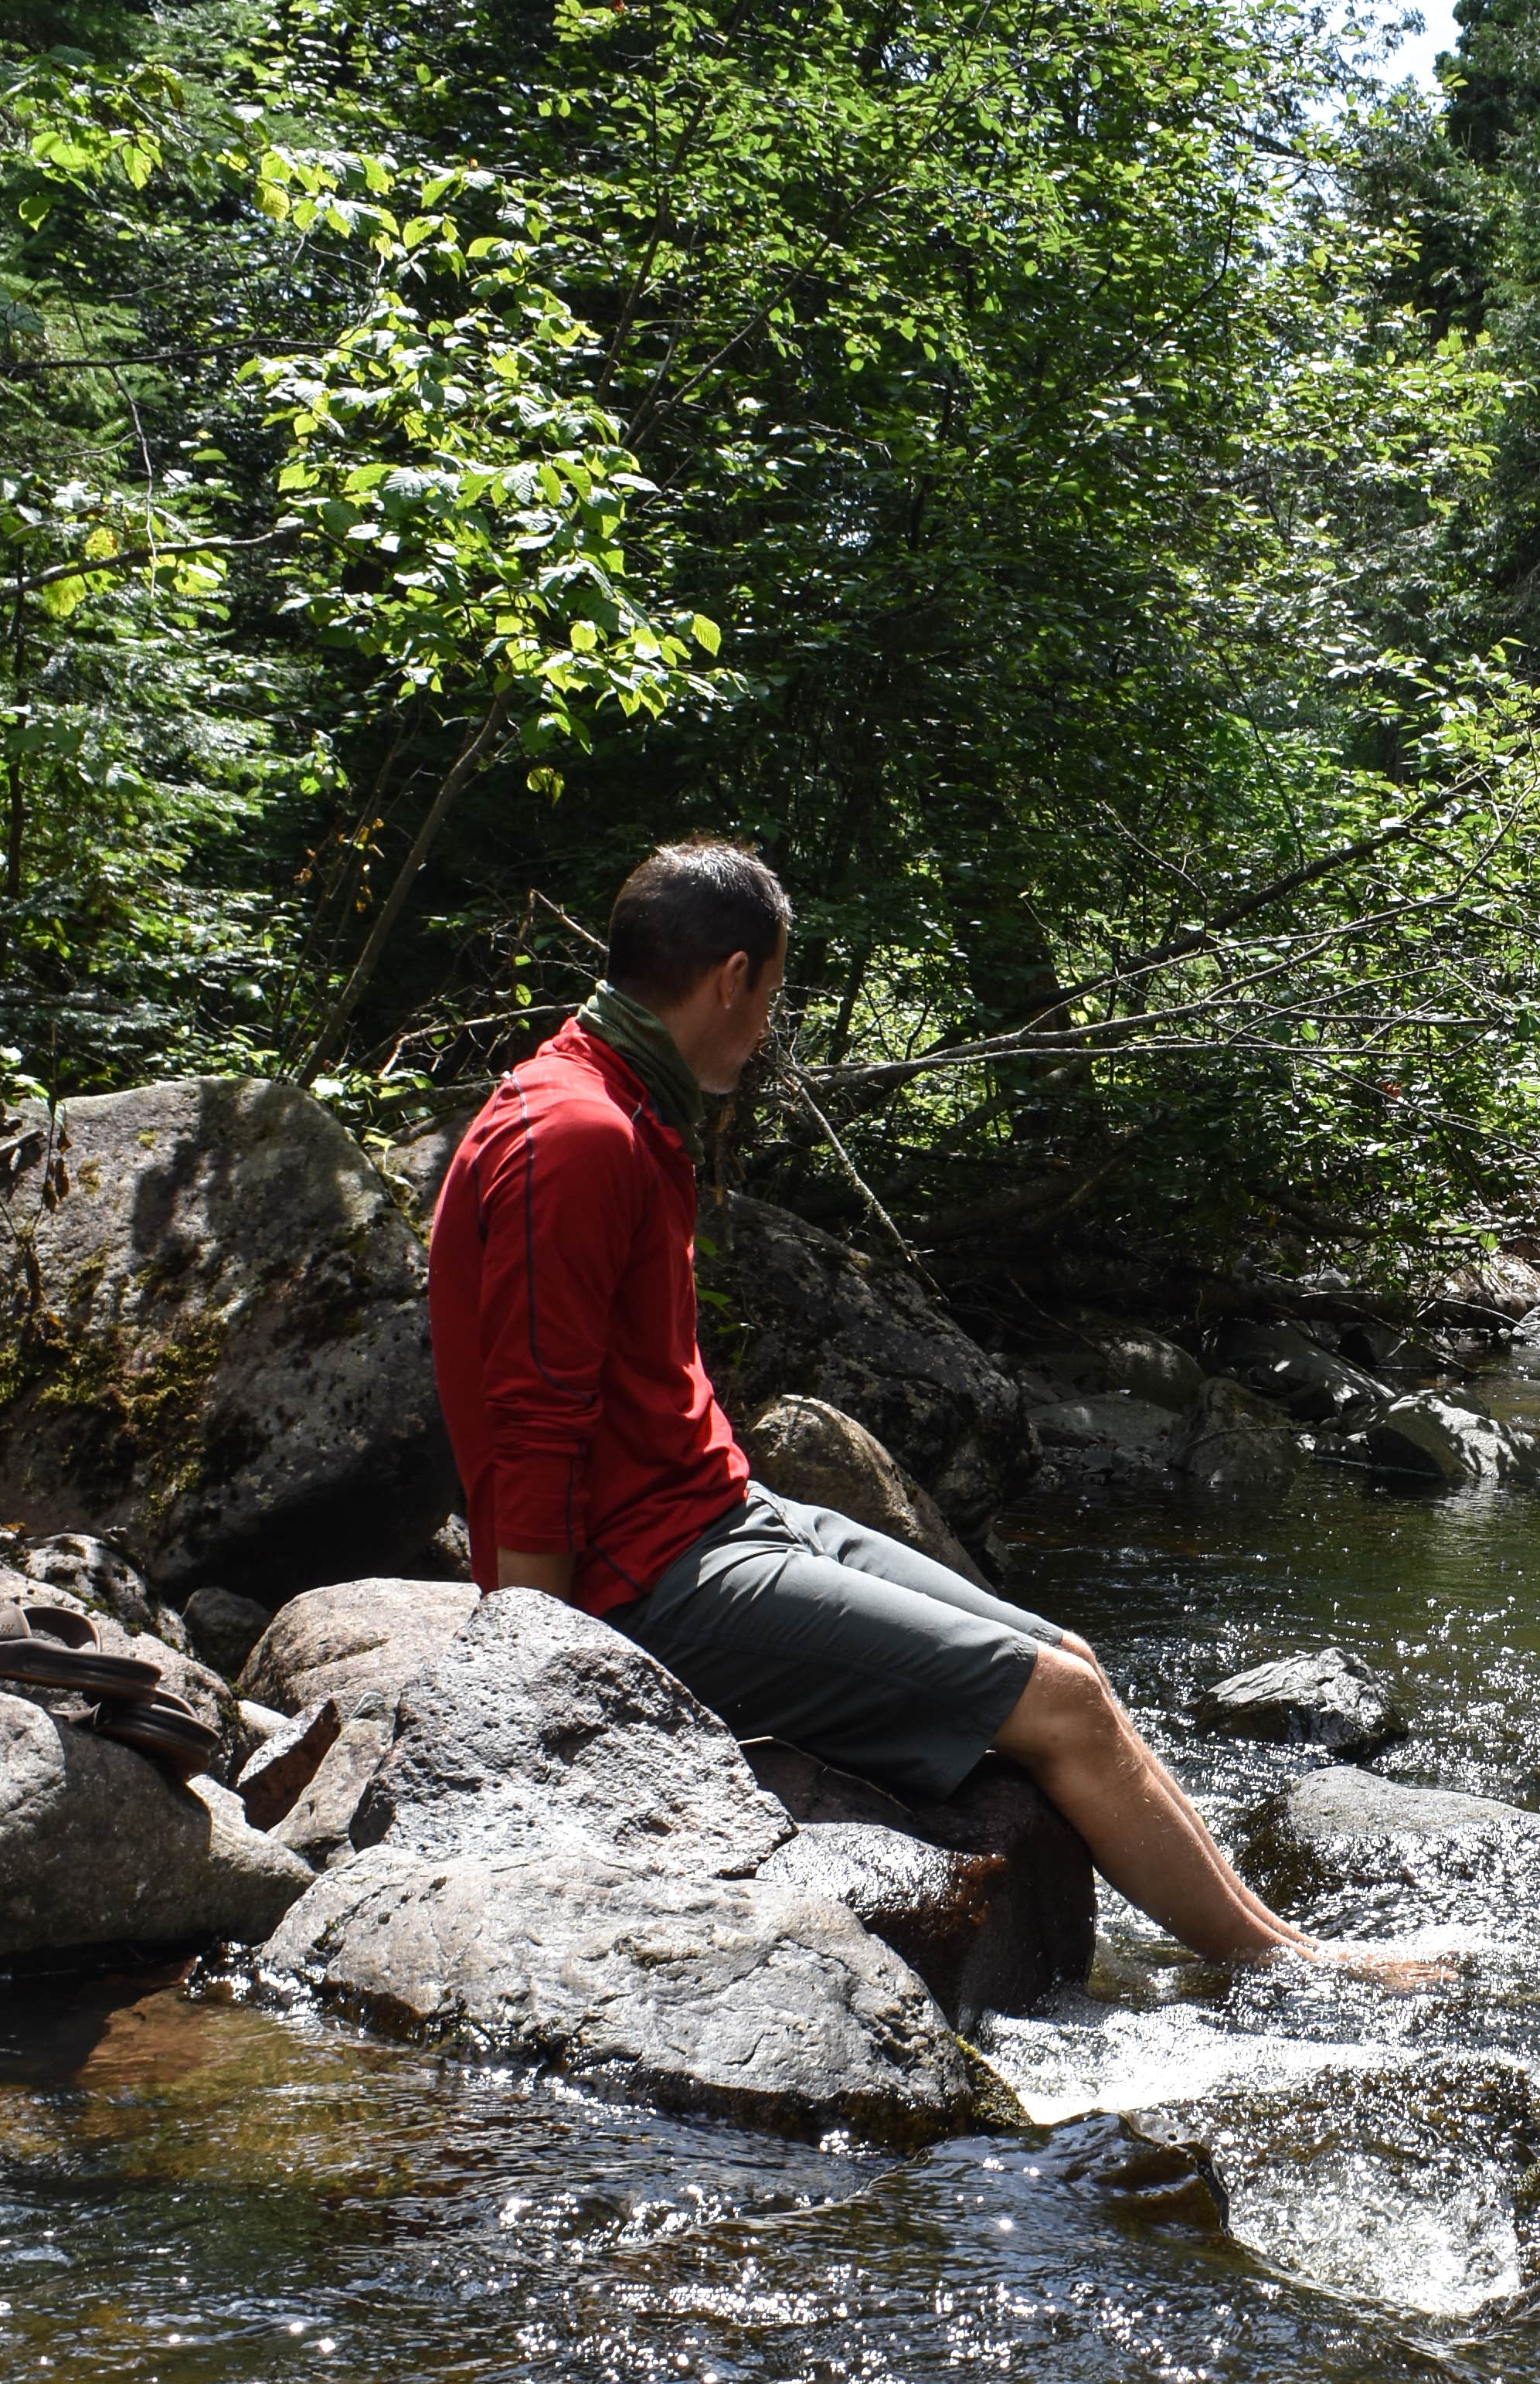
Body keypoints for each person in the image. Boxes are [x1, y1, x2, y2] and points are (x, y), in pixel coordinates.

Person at [427, 836, 1436, 1983]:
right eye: (774, 994)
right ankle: (1287, 1975)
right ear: (734, 980)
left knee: (1069, 1661)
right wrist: (537, 1678)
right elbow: (532, 1427)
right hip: (652, 1582)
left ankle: (1277, 1948)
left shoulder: (624, 1104)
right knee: (1057, 1706)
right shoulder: (576, 1135)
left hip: (714, 1518)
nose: (769, 1027)